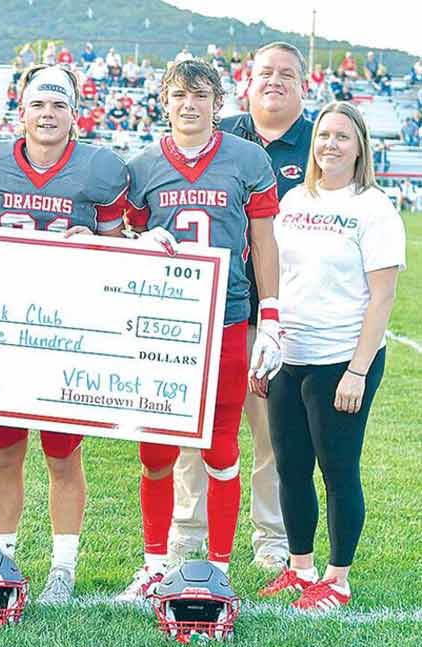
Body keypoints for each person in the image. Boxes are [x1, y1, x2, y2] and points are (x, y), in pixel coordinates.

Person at [0, 64, 129, 604]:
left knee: (62, 455)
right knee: (3, 452)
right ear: (22, 111)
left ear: (74, 114)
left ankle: (63, 566)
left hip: (66, 333)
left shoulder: (98, 169)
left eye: (59, 106)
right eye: (38, 104)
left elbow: (118, 249)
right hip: (3, 329)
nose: (48, 115)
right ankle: (2, 557)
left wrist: (96, 244)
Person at [118, 59, 283, 602]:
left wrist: (271, 316)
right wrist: (139, 243)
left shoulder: (247, 159)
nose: (189, 105)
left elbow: (263, 240)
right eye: (179, 95)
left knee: (221, 447)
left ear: (217, 103)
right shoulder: (142, 166)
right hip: (165, 326)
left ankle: (218, 566)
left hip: (228, 318)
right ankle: (154, 564)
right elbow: (126, 239)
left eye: (200, 95)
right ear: (164, 102)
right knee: (155, 450)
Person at [170, 42, 313, 572]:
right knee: (194, 427)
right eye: (265, 72)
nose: (274, 81)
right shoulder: (217, 133)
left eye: (287, 74)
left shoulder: (318, 141)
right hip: (210, 312)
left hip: (282, 311)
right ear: (246, 82)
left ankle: (271, 535)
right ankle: (188, 529)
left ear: (304, 85)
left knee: (271, 431)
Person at [258, 101, 405, 611]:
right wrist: (269, 344)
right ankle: (301, 569)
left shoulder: (374, 207)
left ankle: (337, 579)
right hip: (290, 356)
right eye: (324, 135)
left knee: (338, 471)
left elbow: (383, 297)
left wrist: (357, 371)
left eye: (342, 136)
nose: (330, 145)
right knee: (291, 467)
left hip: (342, 358)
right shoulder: (294, 199)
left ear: (360, 146)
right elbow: (277, 276)